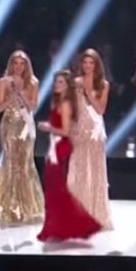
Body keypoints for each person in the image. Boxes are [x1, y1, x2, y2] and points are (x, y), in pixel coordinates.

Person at [37, 70, 102, 242]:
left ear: (67, 86)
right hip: (55, 147)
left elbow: (66, 131)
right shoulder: (57, 103)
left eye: (60, 82)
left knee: (57, 188)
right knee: (53, 189)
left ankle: (73, 225)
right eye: (56, 82)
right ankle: (54, 227)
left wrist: (47, 127)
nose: (56, 85)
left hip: (62, 148)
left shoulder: (65, 104)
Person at [0, 50, 45, 227]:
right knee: (10, 163)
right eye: (15, 63)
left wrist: (22, 92)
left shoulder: (33, 82)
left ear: (26, 65)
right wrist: (12, 95)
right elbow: (0, 107)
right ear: (11, 64)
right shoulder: (3, 82)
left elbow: (33, 106)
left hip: (26, 126)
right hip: (9, 125)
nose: (18, 67)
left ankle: (27, 207)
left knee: (25, 164)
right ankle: (9, 206)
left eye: (22, 63)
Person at [67, 49, 113, 230]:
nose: (87, 66)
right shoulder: (75, 83)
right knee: (77, 171)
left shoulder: (103, 84)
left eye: (91, 63)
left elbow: (101, 109)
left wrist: (89, 93)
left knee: (94, 172)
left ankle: (95, 214)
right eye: (85, 62)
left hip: (95, 131)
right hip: (79, 129)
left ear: (97, 65)